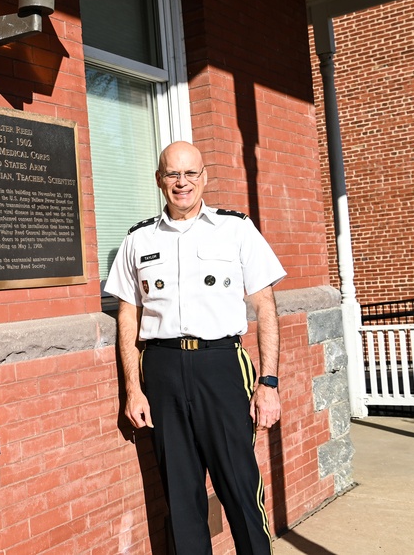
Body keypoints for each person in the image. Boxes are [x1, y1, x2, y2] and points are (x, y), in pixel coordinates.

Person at [104, 141, 285, 555]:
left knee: (239, 485)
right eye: (172, 174)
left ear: (204, 177)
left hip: (221, 364)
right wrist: (133, 389)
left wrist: (269, 383)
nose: (181, 183)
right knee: (181, 497)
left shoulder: (236, 229)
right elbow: (128, 317)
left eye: (190, 174)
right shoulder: (137, 239)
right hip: (162, 368)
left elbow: (265, 307)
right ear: (159, 180)